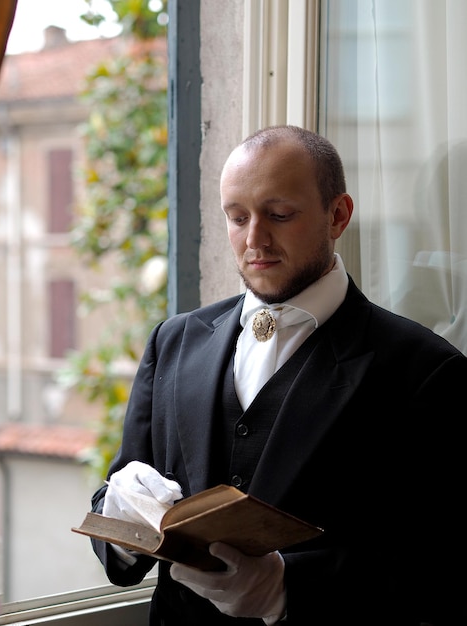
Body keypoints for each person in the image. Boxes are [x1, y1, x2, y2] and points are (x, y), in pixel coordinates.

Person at [90, 125, 467, 625]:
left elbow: (442, 568)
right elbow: (121, 503)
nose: (255, 239)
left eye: (279, 214)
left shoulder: (426, 370)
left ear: (338, 215)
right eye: (237, 217)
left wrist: (285, 589)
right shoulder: (173, 341)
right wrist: (120, 518)